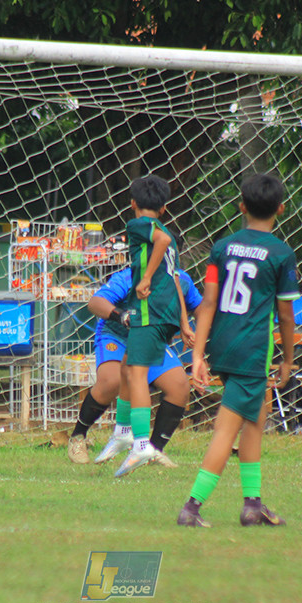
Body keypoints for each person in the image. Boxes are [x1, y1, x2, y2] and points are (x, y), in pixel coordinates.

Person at [178, 173, 300, 528]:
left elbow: (210, 302)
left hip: (223, 343)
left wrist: (198, 354)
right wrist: (289, 360)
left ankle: (253, 504)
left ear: (241, 206)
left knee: (255, 422)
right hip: (252, 350)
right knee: (225, 431)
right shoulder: (280, 253)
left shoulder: (223, 247)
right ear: (281, 208)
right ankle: (192, 506)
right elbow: (287, 315)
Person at [65, 266, 203, 466]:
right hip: (117, 336)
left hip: (151, 340)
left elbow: (200, 308)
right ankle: (78, 436)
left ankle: (152, 451)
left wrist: (193, 332)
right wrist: (121, 315)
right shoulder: (129, 276)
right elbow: (95, 303)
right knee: (112, 380)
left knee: (180, 387)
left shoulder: (181, 279)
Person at [113, 175, 194, 477]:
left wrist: (145, 278)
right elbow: (175, 277)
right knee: (126, 366)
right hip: (168, 311)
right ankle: (122, 432)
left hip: (150, 310)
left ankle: (141, 443)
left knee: (136, 373)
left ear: (132, 204)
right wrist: (185, 322)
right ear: (164, 207)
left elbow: (162, 243)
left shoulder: (138, 226)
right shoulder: (164, 228)